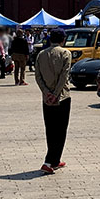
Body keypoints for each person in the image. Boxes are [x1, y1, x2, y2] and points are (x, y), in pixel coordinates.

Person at [35, 29, 72, 174]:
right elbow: (64, 76)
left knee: (50, 129)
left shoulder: (41, 54)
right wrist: (56, 93)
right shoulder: (65, 53)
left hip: (47, 98)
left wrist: (46, 92)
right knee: (61, 130)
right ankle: (50, 161)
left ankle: (55, 160)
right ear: (63, 40)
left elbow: (38, 76)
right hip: (62, 97)